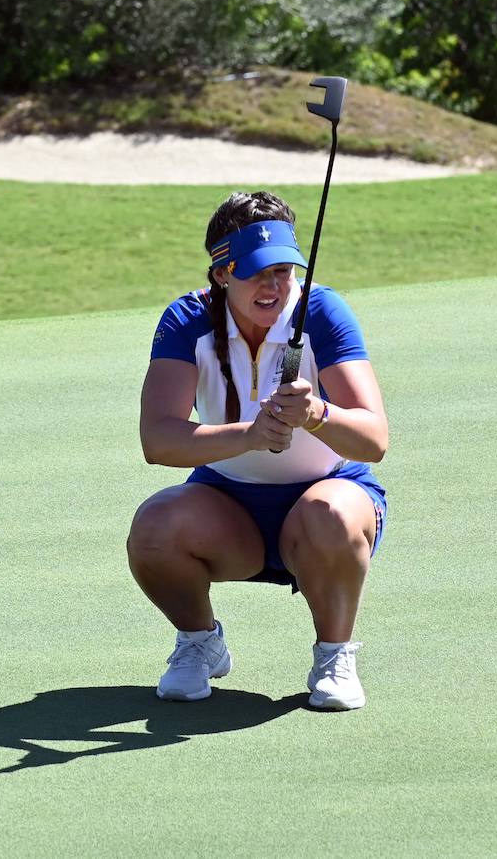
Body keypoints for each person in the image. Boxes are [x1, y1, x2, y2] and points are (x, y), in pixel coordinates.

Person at [127, 190, 389, 711]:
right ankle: (200, 642)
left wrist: (317, 414)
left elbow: (374, 439)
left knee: (330, 514)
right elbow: (158, 439)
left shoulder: (321, 309)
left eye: (284, 271)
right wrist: (251, 434)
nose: (273, 285)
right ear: (223, 273)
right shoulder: (188, 319)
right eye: (257, 272)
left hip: (327, 498)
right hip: (227, 506)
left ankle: (334, 654)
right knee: (154, 528)